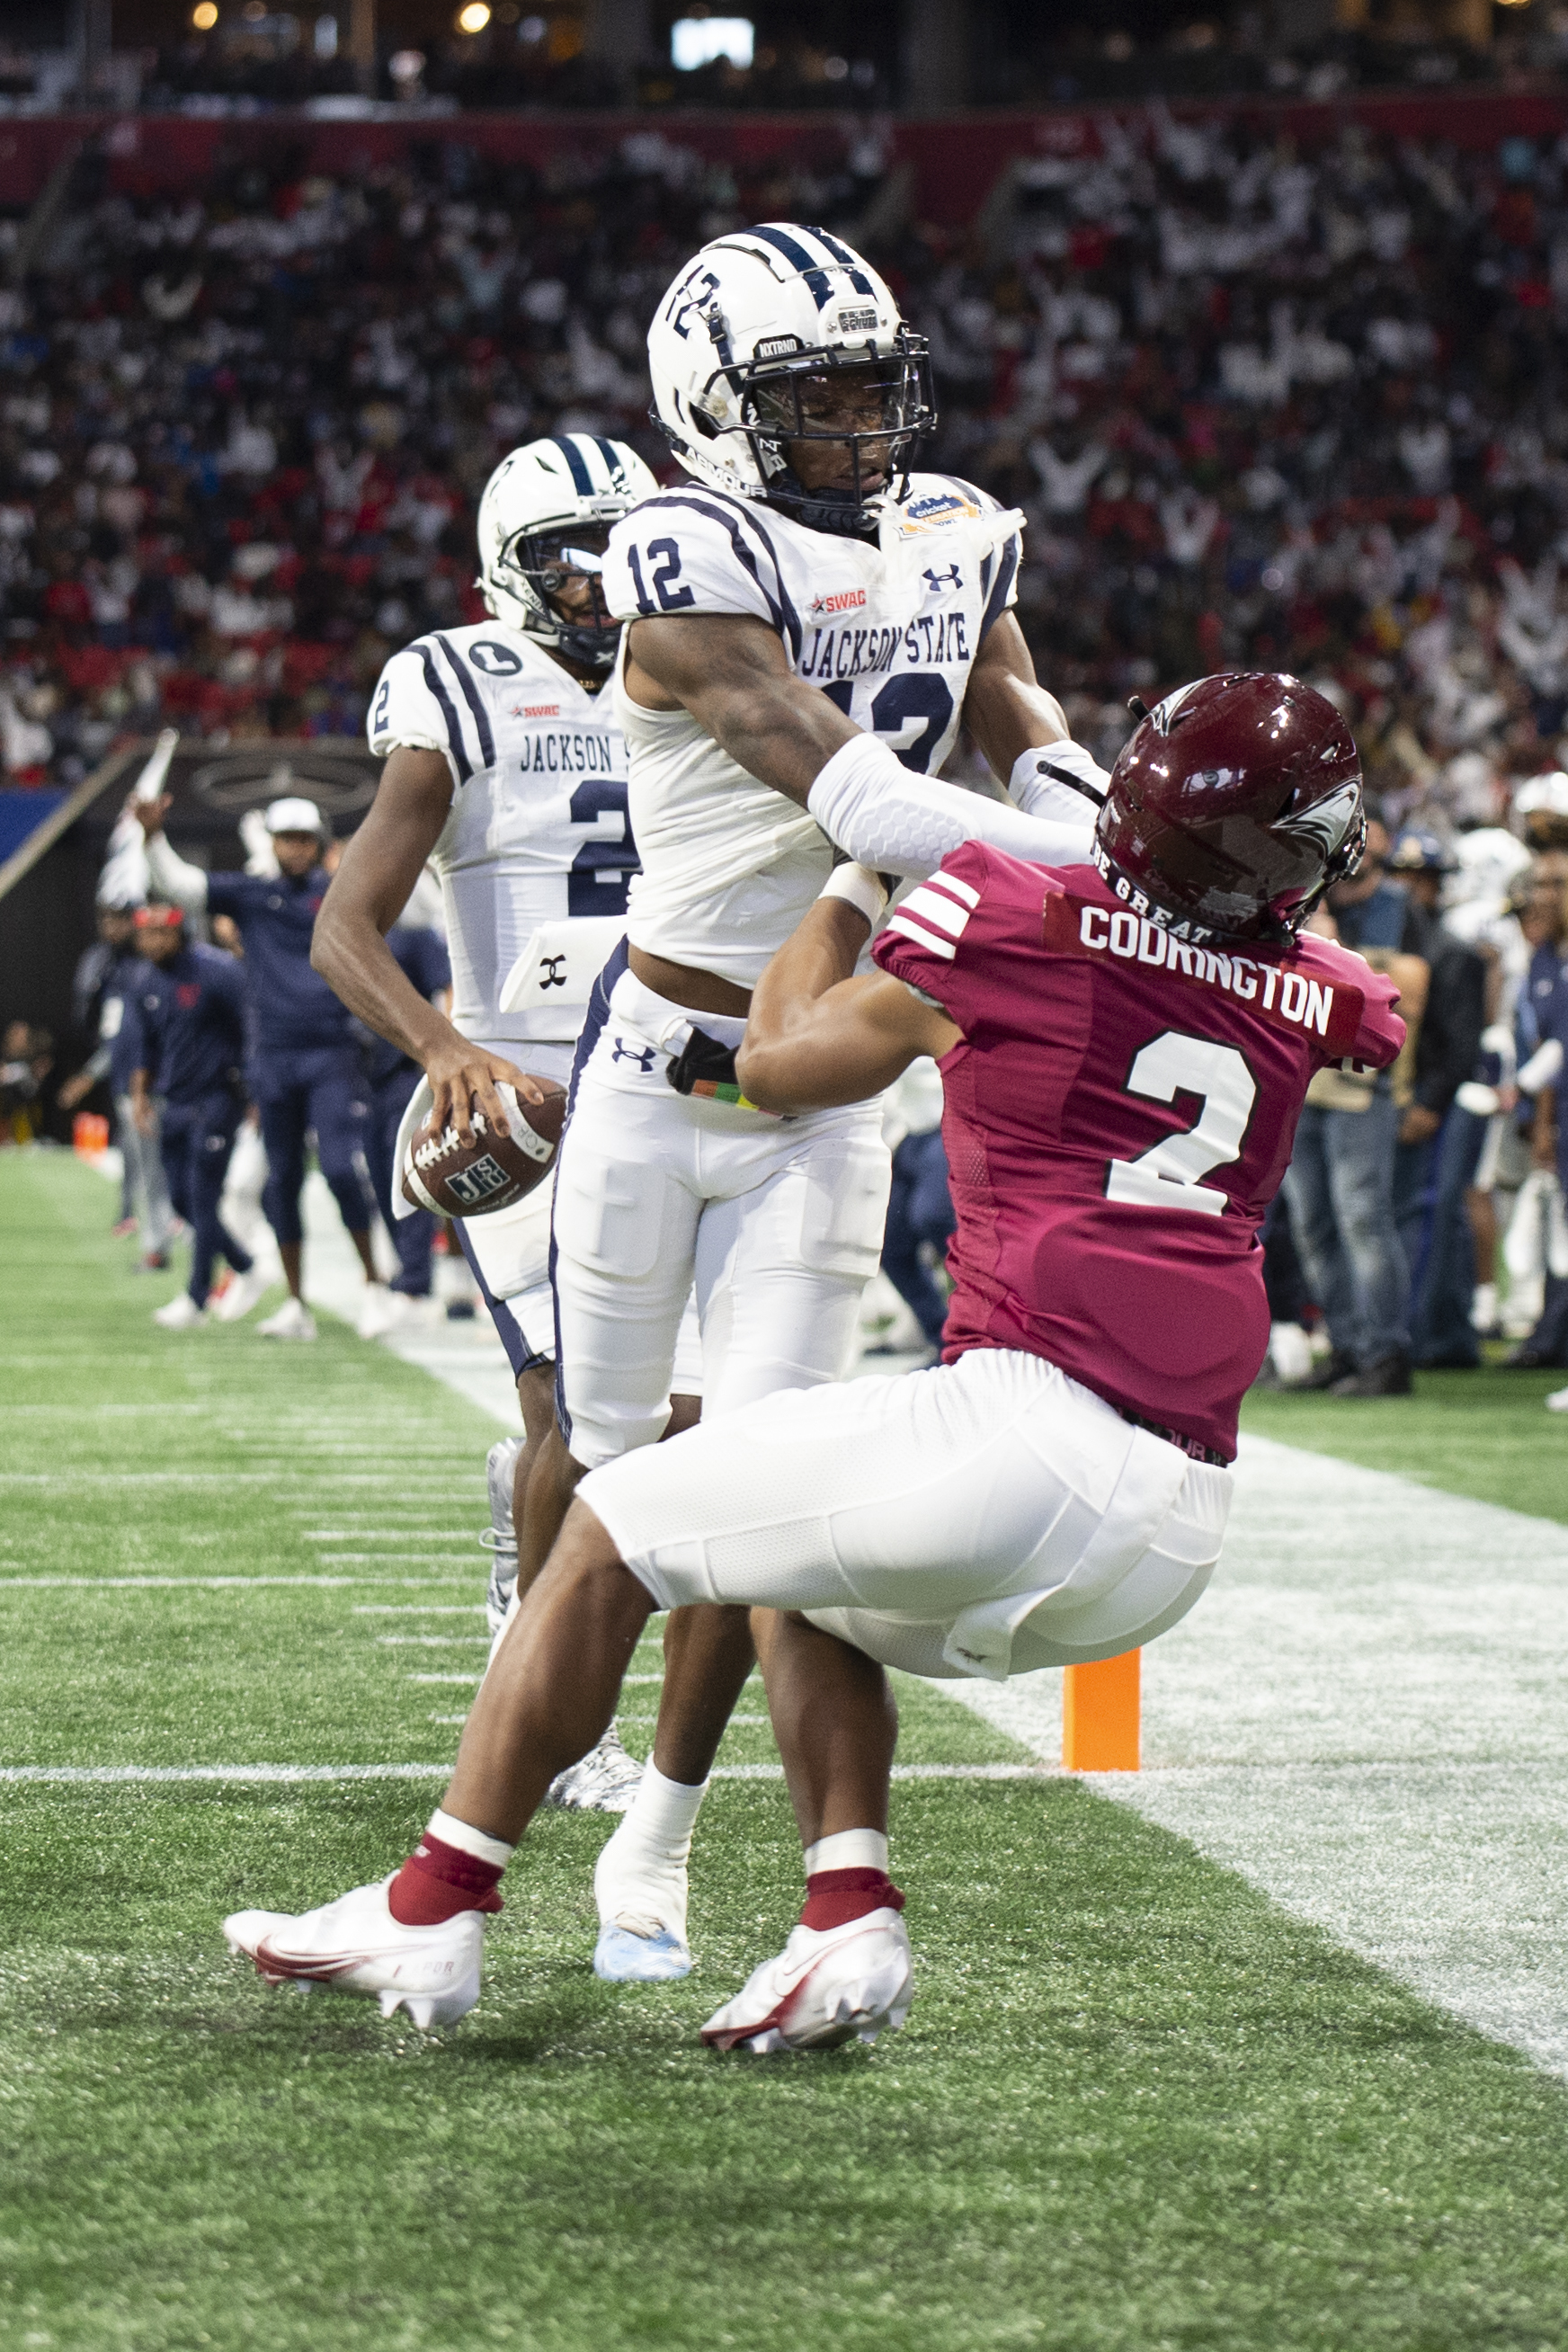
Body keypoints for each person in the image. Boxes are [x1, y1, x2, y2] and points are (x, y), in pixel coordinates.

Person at [223, 670, 1403, 2048]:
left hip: (1026, 1434)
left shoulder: (1012, 914)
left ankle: (432, 1908)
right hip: (1177, 1525)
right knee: (794, 1562)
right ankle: (848, 1921)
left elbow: (776, 1060)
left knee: (611, 1516)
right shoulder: (1330, 988)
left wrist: (850, 881)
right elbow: (1363, 1015)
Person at [512, 223, 1107, 1982]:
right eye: (816, 390)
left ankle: (661, 1839)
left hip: (820, 1080)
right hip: (650, 1062)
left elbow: (1013, 716)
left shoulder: (949, 529)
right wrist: (1117, 861)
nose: (863, 419)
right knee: (610, 1473)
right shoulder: (679, 546)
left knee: (749, 1482)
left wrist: (1087, 786)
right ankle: (479, 1827)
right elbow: (852, 784)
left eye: (872, 383)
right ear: (708, 406)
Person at [312, 432, 694, 1812]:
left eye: (618, 550)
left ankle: (525, 1534)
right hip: (527, 1089)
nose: (597, 585)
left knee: (669, 1416)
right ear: (504, 572)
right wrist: (444, 1049)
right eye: (565, 557)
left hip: (676, 1065)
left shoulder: (706, 667)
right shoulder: (460, 684)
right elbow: (344, 927)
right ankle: (551, 1703)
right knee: (577, 1410)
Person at [128, 791, 378, 1339]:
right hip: (274, 1057)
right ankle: (296, 1303)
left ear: (319, 844)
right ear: (273, 843)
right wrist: (152, 839)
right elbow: (182, 886)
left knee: (339, 1169)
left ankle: (374, 1285)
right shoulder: (251, 894)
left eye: (304, 838)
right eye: (286, 838)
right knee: (280, 1183)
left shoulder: (340, 891)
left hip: (332, 1049)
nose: (295, 848)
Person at [1282, 812, 1427, 1395]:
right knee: (1313, 1222)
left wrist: (1331, 952)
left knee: (1363, 1216)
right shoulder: (1299, 894)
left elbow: (1410, 987)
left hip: (1365, 1084)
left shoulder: (1396, 905)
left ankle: (1386, 1352)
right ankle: (1345, 1345)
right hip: (1304, 1079)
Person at [122, 903, 257, 1329]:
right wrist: (140, 1095)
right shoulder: (144, 980)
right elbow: (144, 1044)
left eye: (164, 933)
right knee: (181, 1199)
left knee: (202, 1196)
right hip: (174, 1101)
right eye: (148, 934)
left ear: (181, 933)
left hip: (218, 1098)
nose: (155, 942)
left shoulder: (216, 971)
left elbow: (250, 1026)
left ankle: (197, 1298)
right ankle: (246, 1265)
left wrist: (253, 1089)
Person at [1384, 829, 1488, 1368]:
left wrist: (1430, 1102)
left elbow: (1461, 1043)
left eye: (1420, 878)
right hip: (1411, 1098)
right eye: (1402, 876)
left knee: (1423, 1213)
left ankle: (1419, 1334)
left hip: (1440, 1103)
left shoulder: (1453, 953)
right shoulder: (1402, 949)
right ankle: (1451, 1334)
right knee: (1438, 1216)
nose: (1409, 887)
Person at [58, 891, 174, 1267]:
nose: (113, 927)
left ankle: (162, 1241)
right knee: (141, 1160)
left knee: (158, 1169)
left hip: (164, 1083)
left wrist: (89, 1076)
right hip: (133, 1080)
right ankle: (150, 1235)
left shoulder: (154, 972)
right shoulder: (117, 970)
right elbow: (118, 1034)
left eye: (121, 919)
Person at [354, 910, 451, 1332]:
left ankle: (415, 1284)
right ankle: (407, 1276)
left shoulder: (412, 934)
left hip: (404, 1072)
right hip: (359, 1074)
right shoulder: (343, 934)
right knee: (380, 1180)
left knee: (410, 1177)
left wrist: (442, 1056)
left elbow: (446, 992)